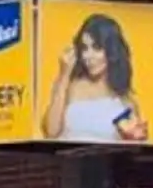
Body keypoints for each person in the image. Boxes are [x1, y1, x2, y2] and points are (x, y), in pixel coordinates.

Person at [42, 13, 147, 143]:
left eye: (96, 48)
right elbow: (51, 131)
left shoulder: (125, 102)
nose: (88, 56)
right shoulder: (69, 87)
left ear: (112, 51)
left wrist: (136, 138)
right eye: (85, 48)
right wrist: (64, 74)